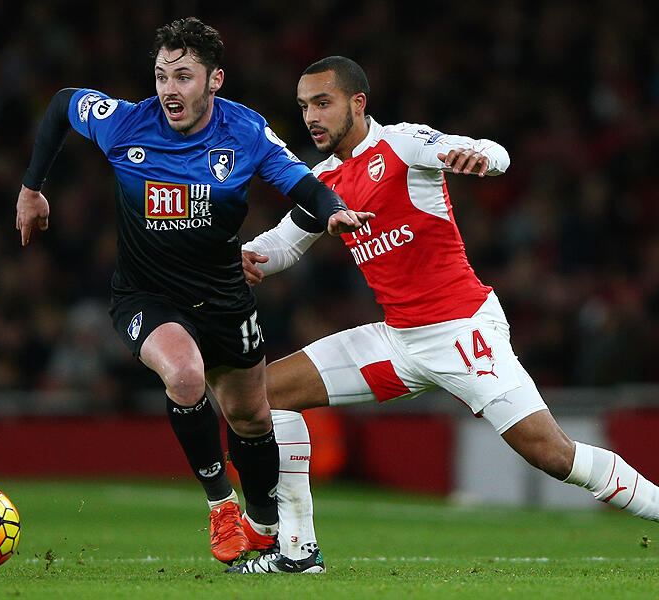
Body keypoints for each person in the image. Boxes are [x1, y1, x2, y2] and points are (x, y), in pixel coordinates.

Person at [228, 56, 659, 574]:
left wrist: (482, 157)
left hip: (462, 330)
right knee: (267, 395)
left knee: (552, 454)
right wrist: (240, 257)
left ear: (358, 103)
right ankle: (298, 552)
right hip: (398, 340)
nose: (312, 117)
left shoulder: (403, 143)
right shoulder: (322, 180)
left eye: (323, 103)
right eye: (304, 107)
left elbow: (493, 154)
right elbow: (282, 246)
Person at [15, 25, 372, 565]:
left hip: (224, 295)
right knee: (184, 375)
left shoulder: (245, 131)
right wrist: (31, 188)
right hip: (147, 295)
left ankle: (265, 526)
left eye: (183, 76)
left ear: (214, 80)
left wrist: (334, 211)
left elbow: (303, 184)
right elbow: (65, 102)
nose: (169, 89)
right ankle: (220, 505)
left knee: (252, 417)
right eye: (162, 76)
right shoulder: (124, 123)